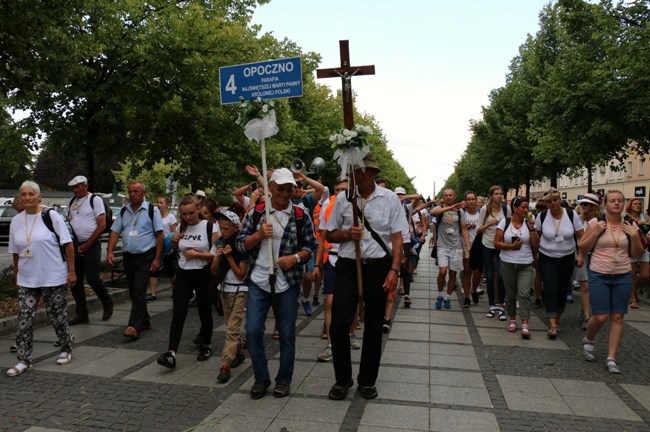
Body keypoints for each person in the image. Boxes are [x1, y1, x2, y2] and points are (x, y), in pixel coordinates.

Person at [325, 153, 407, 401]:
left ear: (372, 173)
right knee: (338, 323)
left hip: (378, 266)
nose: (358, 176)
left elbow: (397, 237)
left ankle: (367, 380)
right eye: (355, 172)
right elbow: (330, 235)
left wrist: (394, 270)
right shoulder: (343, 199)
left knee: (373, 325)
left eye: (363, 171)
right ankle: (343, 378)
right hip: (349, 266)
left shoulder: (390, 199)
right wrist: (347, 234)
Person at [236, 168, 316, 399]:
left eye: (289, 188)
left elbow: (311, 247)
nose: (284, 193)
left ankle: (284, 380)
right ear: (270, 188)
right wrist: (258, 236)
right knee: (252, 332)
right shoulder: (257, 213)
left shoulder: (302, 215)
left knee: (287, 334)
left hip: (287, 283)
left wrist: (296, 258)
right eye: (280, 188)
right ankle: (261, 378)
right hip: (259, 281)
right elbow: (241, 245)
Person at [7, 181, 76, 376]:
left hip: (53, 276)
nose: (27, 198)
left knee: (57, 316)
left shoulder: (51, 216)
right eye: (23, 194)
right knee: (24, 319)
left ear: (39, 197)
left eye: (31, 194)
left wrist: (71, 271)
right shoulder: (16, 221)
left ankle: (66, 348)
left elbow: (68, 244)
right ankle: (24, 359)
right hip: (28, 278)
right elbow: (15, 251)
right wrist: (16, 273)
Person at [579, 190, 643, 373]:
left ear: (623, 204)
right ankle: (589, 339)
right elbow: (582, 246)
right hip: (599, 273)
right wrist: (595, 232)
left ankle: (611, 357)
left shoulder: (630, 224)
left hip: (623, 275)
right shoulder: (596, 223)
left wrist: (634, 236)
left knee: (617, 316)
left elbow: (637, 254)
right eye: (612, 201)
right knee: (600, 316)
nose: (616, 203)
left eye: (620, 201)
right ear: (605, 204)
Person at [157, 195, 218, 369]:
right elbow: (179, 249)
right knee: (178, 312)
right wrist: (175, 243)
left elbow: (216, 255)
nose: (188, 217)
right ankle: (171, 353)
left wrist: (197, 254)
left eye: (191, 213)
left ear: (198, 210)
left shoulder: (209, 227)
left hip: (203, 273)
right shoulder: (182, 226)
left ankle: (206, 344)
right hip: (184, 273)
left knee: (204, 310)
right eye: (184, 214)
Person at [107, 181, 163, 339]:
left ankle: (134, 326)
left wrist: (157, 259)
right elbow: (114, 231)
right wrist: (110, 251)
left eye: (136, 191)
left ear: (143, 193)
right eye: (130, 191)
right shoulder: (124, 210)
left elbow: (160, 235)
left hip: (146, 255)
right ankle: (144, 320)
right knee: (133, 290)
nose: (132, 194)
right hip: (128, 255)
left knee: (139, 289)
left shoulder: (152, 210)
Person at [313, 177, 361, 362]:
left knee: (353, 301)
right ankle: (331, 345)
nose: (340, 193)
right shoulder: (327, 207)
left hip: (350, 259)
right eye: (337, 190)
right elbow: (322, 238)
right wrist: (317, 264)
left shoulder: (357, 206)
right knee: (330, 302)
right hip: (332, 259)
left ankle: (351, 333)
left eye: (344, 189)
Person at [535, 188, 584, 339]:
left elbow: (581, 236)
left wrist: (581, 254)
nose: (552, 204)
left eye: (555, 200)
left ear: (559, 200)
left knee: (562, 289)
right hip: (547, 256)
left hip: (567, 257)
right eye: (549, 201)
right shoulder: (542, 216)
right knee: (550, 288)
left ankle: (557, 318)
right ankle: (552, 324)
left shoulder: (571, 214)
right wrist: (535, 254)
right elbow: (538, 235)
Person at [66, 175, 114, 325]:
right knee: (76, 281)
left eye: (77, 187)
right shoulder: (72, 202)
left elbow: (101, 225)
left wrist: (87, 245)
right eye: (73, 187)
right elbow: (68, 221)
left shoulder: (95, 200)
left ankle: (107, 302)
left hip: (91, 244)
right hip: (75, 245)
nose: (74, 190)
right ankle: (82, 313)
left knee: (93, 278)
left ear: (85, 186)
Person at [212, 210, 249, 383]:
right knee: (229, 326)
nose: (223, 231)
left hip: (241, 290)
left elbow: (241, 273)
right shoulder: (219, 242)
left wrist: (229, 257)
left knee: (232, 329)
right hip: (224, 289)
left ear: (235, 228)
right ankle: (238, 353)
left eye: (226, 228)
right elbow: (213, 270)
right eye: (221, 227)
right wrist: (219, 258)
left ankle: (225, 366)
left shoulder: (242, 245)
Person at [494, 196, 539, 339]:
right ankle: (512, 320)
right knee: (510, 294)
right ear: (515, 208)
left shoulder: (529, 223)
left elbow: (536, 244)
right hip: (507, 262)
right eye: (523, 207)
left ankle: (525, 323)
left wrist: (532, 230)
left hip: (525, 263)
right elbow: (496, 243)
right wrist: (511, 246)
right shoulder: (504, 223)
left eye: (527, 207)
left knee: (524, 293)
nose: (526, 210)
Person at [429, 189, 470, 310]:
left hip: (456, 247)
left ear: (454, 196)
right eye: (446, 195)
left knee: (453, 273)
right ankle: (440, 294)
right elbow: (432, 212)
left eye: (450, 195)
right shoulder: (440, 209)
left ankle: (447, 297)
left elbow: (464, 229)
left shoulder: (460, 211)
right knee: (442, 271)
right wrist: (449, 208)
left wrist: (467, 245)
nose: (448, 197)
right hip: (442, 246)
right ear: (444, 197)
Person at [477, 185, 511, 320]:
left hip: (501, 245)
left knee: (501, 275)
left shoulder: (506, 209)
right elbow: (479, 229)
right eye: (496, 194)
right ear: (491, 196)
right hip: (487, 244)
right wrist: (490, 223)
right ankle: (492, 305)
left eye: (501, 193)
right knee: (490, 276)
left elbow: (509, 225)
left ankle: (501, 304)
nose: (499, 196)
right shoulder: (485, 209)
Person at [575, 193, 601, 329]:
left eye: (586, 204)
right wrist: (579, 254)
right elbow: (578, 240)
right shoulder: (578, 219)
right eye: (582, 204)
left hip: (598, 255)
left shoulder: (601, 220)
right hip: (582, 255)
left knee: (594, 286)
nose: (583, 206)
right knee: (584, 286)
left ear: (593, 206)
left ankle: (587, 309)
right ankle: (586, 316)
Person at [148, 196, 177, 302]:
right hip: (156, 246)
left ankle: (175, 289)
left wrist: (171, 246)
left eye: (161, 203)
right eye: (157, 202)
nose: (158, 205)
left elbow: (173, 233)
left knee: (169, 270)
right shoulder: (155, 217)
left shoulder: (171, 217)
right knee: (153, 270)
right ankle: (153, 294)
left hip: (167, 246)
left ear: (166, 205)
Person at [624, 197, 649, 309]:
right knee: (632, 275)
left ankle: (634, 287)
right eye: (635, 204)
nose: (638, 205)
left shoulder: (646, 217)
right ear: (630, 206)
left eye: (639, 204)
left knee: (645, 276)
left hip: (644, 247)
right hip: (631, 248)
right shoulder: (625, 218)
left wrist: (645, 224)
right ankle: (634, 299)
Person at [462, 191, 483, 305]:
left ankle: (474, 289)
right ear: (465, 201)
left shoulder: (481, 213)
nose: (471, 201)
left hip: (479, 245)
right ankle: (466, 297)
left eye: (472, 199)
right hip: (466, 244)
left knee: (478, 272)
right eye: (468, 199)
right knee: (467, 272)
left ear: (476, 200)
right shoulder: (462, 213)